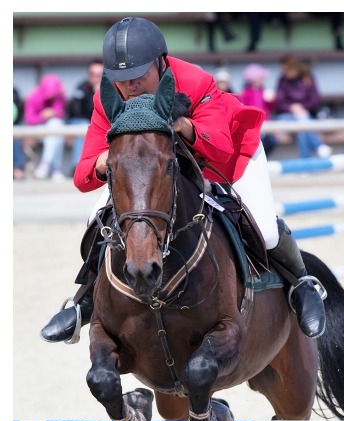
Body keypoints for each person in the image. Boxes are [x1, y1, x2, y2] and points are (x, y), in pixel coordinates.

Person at [40, 16, 326, 344]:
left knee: (266, 230)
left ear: (161, 63)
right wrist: (105, 162)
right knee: (98, 217)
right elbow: (82, 177)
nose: (130, 87)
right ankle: (84, 302)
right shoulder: (109, 98)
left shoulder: (194, 80)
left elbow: (219, 148)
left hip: (230, 157)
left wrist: (186, 127)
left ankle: (302, 286)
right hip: (156, 173)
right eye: (122, 79)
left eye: (138, 76)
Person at [273, 53, 332, 159]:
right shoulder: (282, 80)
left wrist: (302, 108)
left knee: (301, 126)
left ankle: (305, 160)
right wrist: (292, 108)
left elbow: (315, 100)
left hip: (306, 114)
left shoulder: (308, 78)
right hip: (287, 116)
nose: (284, 72)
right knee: (302, 122)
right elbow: (280, 101)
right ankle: (318, 147)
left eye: (286, 70)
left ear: (294, 68)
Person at [24, 73, 67, 181]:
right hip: (36, 129)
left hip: (53, 131)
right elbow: (30, 120)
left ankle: (46, 165)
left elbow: (60, 113)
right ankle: (56, 169)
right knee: (56, 130)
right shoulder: (33, 96)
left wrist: (52, 114)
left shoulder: (59, 95)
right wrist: (42, 116)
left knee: (56, 127)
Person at [66, 59, 104, 176]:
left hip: (101, 124)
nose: (96, 78)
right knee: (82, 126)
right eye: (93, 74)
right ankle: (77, 167)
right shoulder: (82, 87)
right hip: (81, 123)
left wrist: (100, 94)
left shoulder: (110, 88)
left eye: (99, 75)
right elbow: (75, 110)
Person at [238, 63, 277, 158]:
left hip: (266, 123)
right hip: (253, 126)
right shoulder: (246, 93)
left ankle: (265, 158)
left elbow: (271, 108)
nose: (263, 80)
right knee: (259, 143)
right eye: (261, 78)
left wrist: (272, 101)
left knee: (272, 141)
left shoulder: (264, 91)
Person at [13, 86, 26, 180]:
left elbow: (20, 114)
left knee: (15, 138)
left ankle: (18, 168)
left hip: (14, 126)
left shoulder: (14, 91)